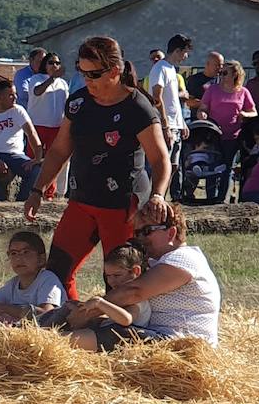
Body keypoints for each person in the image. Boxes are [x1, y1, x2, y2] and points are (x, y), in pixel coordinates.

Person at [25, 35, 171, 300]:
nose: (87, 81)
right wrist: (37, 189)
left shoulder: (138, 107)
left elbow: (160, 159)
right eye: (82, 73)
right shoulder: (78, 103)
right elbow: (59, 150)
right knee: (56, 271)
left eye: (93, 75)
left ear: (115, 71)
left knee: (118, 278)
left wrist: (158, 195)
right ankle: (65, 320)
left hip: (122, 206)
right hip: (81, 200)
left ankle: (115, 330)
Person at [66, 204, 219, 348]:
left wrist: (85, 313)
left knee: (121, 335)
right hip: (162, 339)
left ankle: (56, 342)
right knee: (107, 326)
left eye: (147, 231)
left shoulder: (184, 258)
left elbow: (133, 292)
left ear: (171, 233)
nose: (140, 239)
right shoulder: (158, 261)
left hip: (182, 345)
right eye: (137, 233)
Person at [57, 243, 152, 350]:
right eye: (108, 276)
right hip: (107, 332)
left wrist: (100, 303)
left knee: (57, 338)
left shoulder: (135, 299)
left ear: (135, 271)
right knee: (66, 310)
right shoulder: (120, 295)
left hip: (119, 338)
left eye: (117, 275)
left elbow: (126, 319)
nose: (111, 281)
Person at [149, 34, 191, 200]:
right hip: (166, 126)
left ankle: (162, 198)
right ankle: (153, 198)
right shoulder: (160, 68)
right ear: (178, 50)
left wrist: (182, 124)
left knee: (173, 166)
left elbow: (173, 100)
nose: (186, 57)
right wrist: (166, 126)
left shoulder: (172, 70)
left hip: (176, 126)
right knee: (162, 165)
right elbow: (157, 98)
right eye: (185, 52)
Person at [198, 59, 257, 174]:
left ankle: (222, 192)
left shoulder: (243, 92)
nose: (221, 76)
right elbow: (202, 108)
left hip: (233, 136)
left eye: (225, 73)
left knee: (227, 168)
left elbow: (254, 112)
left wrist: (245, 114)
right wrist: (202, 114)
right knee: (212, 167)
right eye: (220, 73)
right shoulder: (212, 89)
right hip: (213, 135)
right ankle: (211, 192)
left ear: (235, 74)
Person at [26, 53, 70, 152]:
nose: (54, 65)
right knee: (33, 157)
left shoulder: (63, 83)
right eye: (51, 63)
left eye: (57, 63)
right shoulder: (36, 78)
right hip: (38, 126)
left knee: (53, 158)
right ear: (44, 64)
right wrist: (52, 78)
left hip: (57, 127)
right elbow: (37, 92)